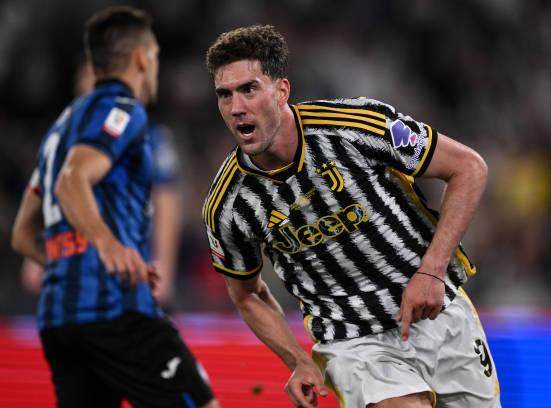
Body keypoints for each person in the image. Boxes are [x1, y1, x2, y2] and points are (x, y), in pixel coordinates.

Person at [203, 25, 500, 408]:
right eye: (224, 94)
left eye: (249, 89)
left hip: (437, 314)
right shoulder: (228, 204)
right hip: (353, 341)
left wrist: (432, 271)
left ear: (281, 91)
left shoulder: (354, 126)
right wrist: (297, 360)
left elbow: (468, 168)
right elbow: (247, 294)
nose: (236, 107)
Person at [11, 7, 218, 408]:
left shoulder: (59, 129)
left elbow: (22, 234)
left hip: (59, 320)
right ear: (141, 58)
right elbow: (72, 180)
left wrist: (71, 266)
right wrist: (108, 247)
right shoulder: (124, 109)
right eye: (154, 57)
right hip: (114, 310)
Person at [20, 62, 182, 309]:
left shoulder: (150, 137)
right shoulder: (62, 142)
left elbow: (165, 201)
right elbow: (48, 196)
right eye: (88, 79)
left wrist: (165, 266)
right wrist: (35, 256)